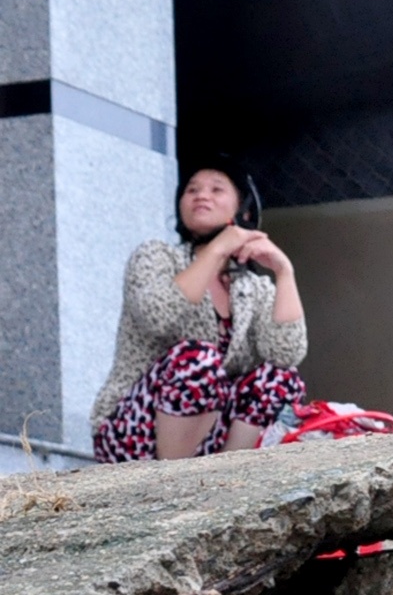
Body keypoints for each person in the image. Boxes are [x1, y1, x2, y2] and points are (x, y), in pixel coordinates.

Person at [92, 158, 307, 462]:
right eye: (192, 190)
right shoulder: (156, 257)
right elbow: (158, 316)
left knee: (280, 378)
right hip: (132, 433)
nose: (201, 195)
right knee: (198, 360)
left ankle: (226, 474)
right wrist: (218, 249)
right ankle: (175, 477)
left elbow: (286, 354)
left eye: (216, 189)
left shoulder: (252, 287)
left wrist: (284, 271)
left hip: (211, 441)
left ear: (243, 211)